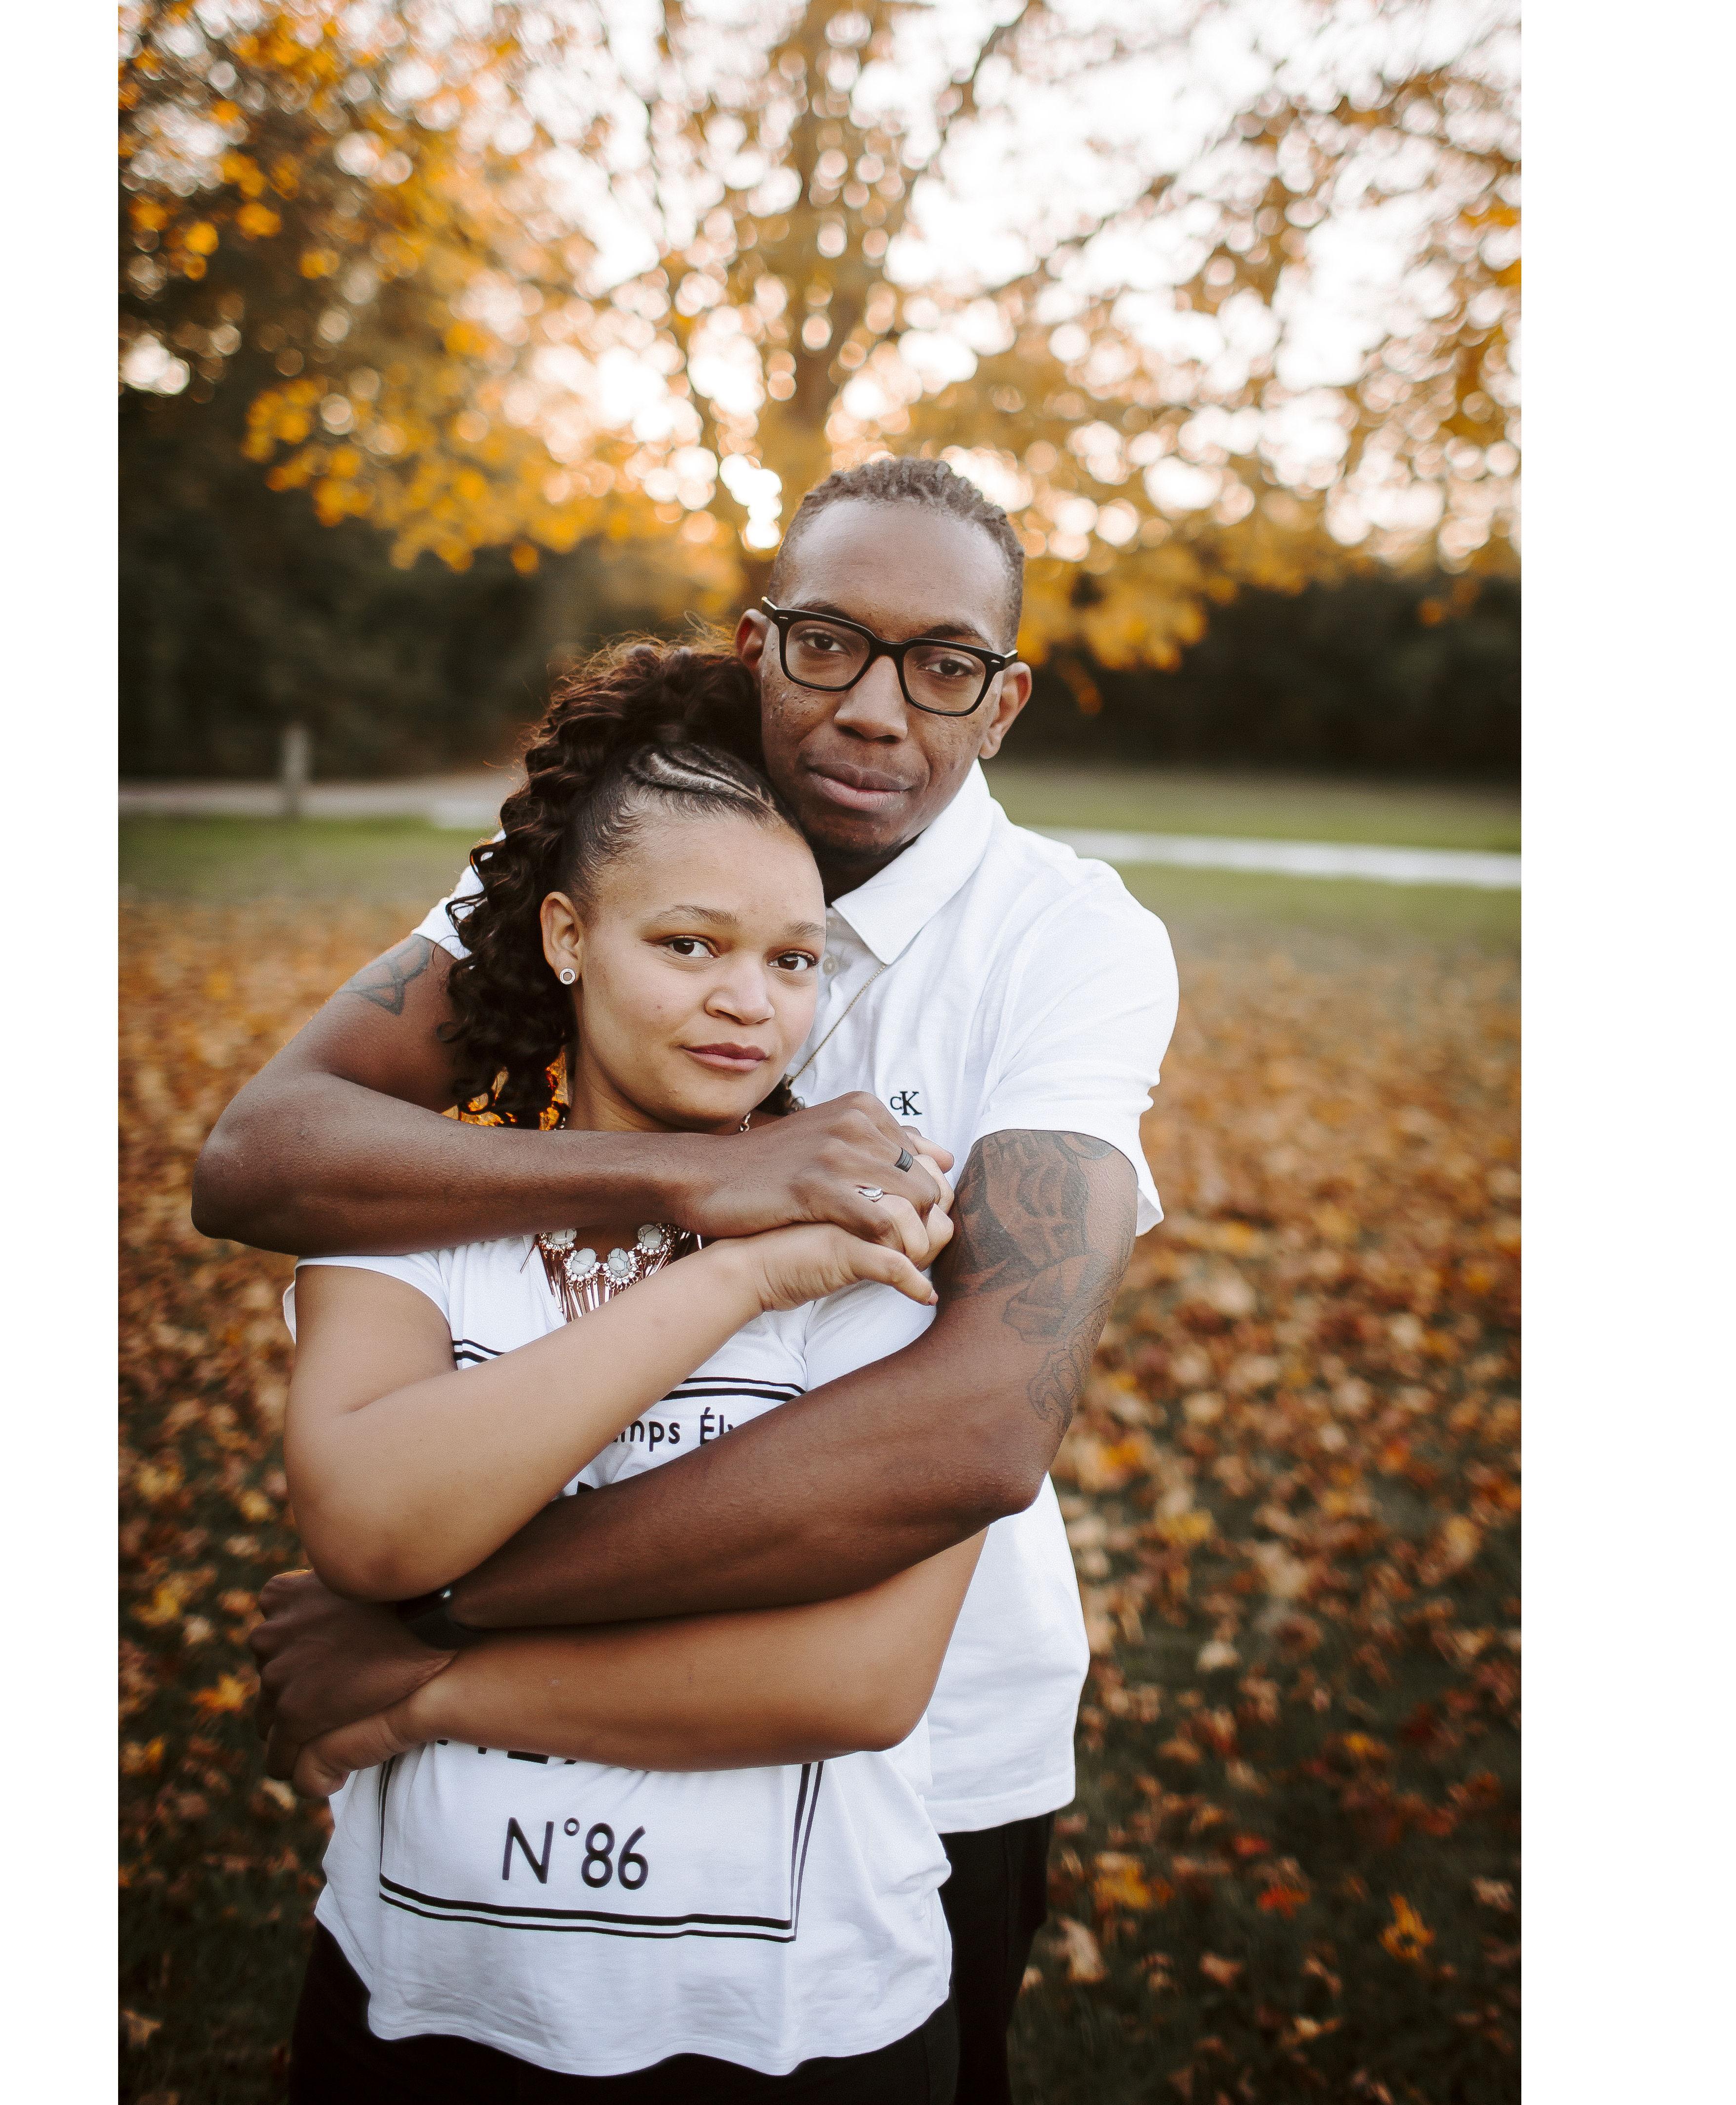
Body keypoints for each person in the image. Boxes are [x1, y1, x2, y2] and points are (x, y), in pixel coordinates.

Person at [199, 456, 1180, 2103]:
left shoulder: (1064, 940)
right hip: (495, 1841)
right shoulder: (618, 849)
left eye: (942, 666)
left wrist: (432, 1618)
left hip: (918, 1744)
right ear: (757, 643)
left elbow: (980, 1427)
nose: (874, 706)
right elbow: (260, 1154)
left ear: (1002, 704)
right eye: (828, 643)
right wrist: (688, 1177)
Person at [278, 679, 976, 2099]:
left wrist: (423, 1694)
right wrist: (732, 1278)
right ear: (567, 938)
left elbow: (855, 1678)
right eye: (689, 943)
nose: (749, 1001)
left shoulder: (882, 1241)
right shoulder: (412, 1218)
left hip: (799, 2029)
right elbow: (373, 1525)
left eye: (794, 961)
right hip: (428, 2011)